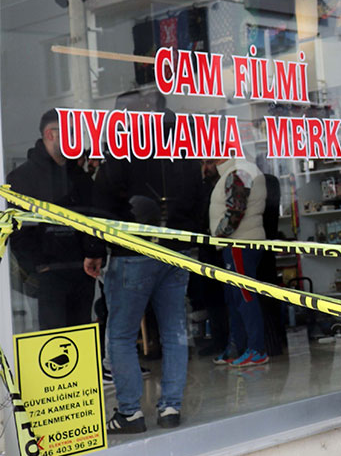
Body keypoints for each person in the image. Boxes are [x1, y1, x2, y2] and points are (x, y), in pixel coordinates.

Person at [86, 151, 203, 434]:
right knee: (174, 332)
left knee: (121, 335)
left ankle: (130, 412)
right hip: (176, 249)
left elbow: (101, 203)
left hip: (132, 250)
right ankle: (171, 407)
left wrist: (95, 249)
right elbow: (198, 196)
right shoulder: (180, 150)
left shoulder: (123, 150)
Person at [9, 109, 96, 331]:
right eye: (70, 132)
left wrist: (94, 253)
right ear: (51, 134)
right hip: (48, 275)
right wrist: (38, 266)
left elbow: (93, 217)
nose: (76, 139)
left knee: (82, 338)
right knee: (53, 340)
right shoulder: (23, 177)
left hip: (81, 271)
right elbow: (17, 228)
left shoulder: (78, 177)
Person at [206, 156, 269, 367]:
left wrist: (220, 234)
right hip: (238, 242)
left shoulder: (240, 171)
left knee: (244, 296)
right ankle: (238, 347)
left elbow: (236, 209)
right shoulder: (236, 170)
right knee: (236, 298)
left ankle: (256, 349)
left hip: (239, 243)